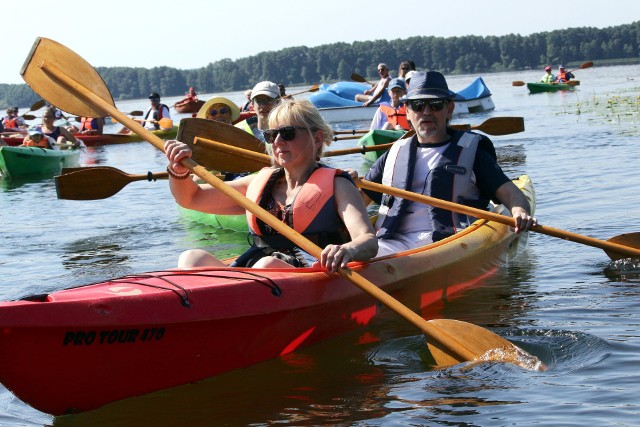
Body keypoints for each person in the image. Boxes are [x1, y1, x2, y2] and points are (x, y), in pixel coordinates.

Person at [164, 99, 378, 271]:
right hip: (259, 267)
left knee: (268, 265)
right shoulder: (258, 182)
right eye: (271, 135)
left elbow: (368, 240)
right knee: (192, 258)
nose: (277, 141)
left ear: (318, 138)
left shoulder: (338, 185)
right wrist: (178, 171)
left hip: (308, 271)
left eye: (287, 133)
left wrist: (348, 250)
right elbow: (191, 198)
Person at [361, 71, 537, 256]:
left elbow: (511, 193)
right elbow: (359, 198)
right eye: (418, 105)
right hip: (390, 243)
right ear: (407, 110)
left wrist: (520, 212)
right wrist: (343, 185)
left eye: (435, 105)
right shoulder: (395, 152)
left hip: (451, 243)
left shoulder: (473, 151)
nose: (426, 112)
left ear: (449, 109)